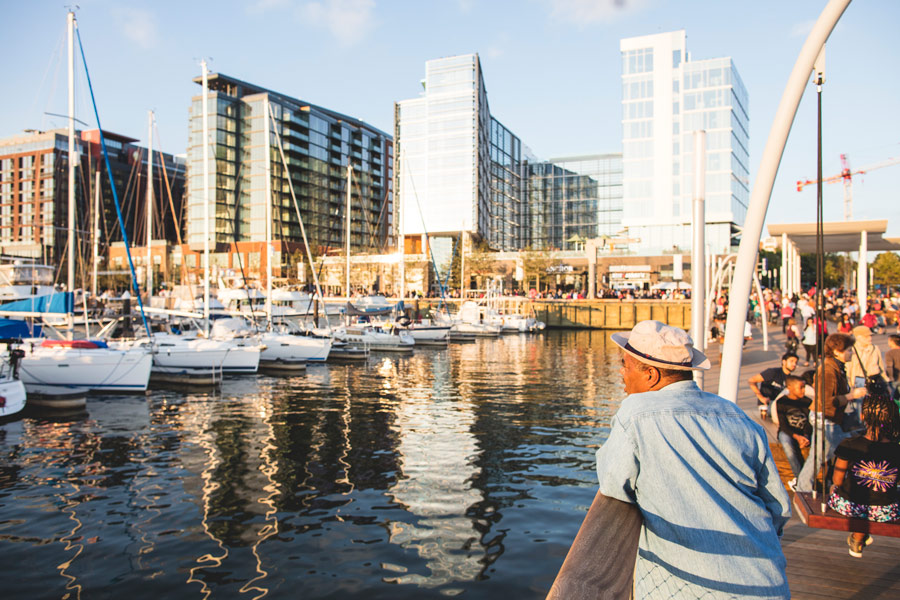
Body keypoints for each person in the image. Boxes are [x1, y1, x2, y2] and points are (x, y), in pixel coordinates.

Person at [597, 320, 790, 599]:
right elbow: (778, 507)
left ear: (650, 374)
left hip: (691, 587)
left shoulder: (636, 413)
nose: (621, 374)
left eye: (624, 365)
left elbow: (613, 482)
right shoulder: (737, 415)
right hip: (766, 580)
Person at [828, 395, 900, 557]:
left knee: (837, 487)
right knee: (885, 495)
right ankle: (858, 539)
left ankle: (858, 538)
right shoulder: (897, 450)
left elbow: (837, 480)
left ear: (862, 416)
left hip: (849, 507)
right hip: (884, 511)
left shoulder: (849, 444)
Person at [796, 334, 868, 493]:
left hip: (828, 417)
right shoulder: (828, 370)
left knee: (821, 455)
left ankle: (804, 487)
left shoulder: (835, 367)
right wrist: (851, 396)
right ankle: (804, 487)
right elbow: (826, 400)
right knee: (834, 452)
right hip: (826, 418)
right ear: (837, 351)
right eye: (849, 350)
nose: (851, 353)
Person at [773, 375, 812, 485]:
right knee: (787, 444)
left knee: (817, 444)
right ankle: (800, 479)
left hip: (804, 432)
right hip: (787, 432)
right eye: (801, 387)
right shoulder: (782, 402)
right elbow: (783, 425)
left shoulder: (807, 401)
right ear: (790, 387)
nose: (804, 390)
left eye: (804, 387)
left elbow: (810, 423)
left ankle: (812, 476)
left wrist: (805, 436)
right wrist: (797, 437)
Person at [748, 352, 799, 421]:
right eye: (791, 361)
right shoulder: (772, 372)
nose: (794, 364)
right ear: (784, 362)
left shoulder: (791, 379)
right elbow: (752, 380)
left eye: (796, 362)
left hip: (780, 405)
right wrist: (761, 397)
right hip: (767, 404)